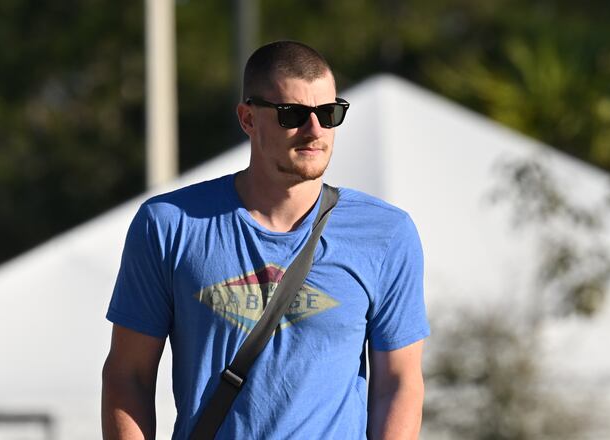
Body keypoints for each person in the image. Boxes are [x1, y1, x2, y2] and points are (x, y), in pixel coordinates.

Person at [102, 40, 430, 439]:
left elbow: (398, 383)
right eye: (292, 114)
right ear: (247, 119)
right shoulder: (171, 224)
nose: (314, 130)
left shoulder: (385, 234)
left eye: (328, 114)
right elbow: (127, 375)